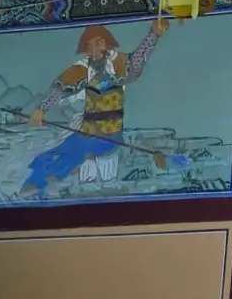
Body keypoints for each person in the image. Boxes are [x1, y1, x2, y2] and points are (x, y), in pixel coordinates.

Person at [19, 17, 169, 198]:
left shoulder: (118, 62)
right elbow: (60, 86)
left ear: (107, 42)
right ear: (87, 50)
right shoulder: (81, 69)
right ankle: (43, 185)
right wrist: (41, 109)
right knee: (75, 156)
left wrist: (154, 35)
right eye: (91, 46)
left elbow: (136, 63)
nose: (97, 49)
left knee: (109, 158)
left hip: (113, 127)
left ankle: (108, 187)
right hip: (90, 128)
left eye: (100, 43)